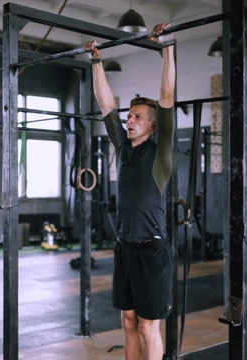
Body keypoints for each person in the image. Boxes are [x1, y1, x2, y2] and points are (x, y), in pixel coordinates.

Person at [85, 22, 175, 360]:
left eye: (137, 116)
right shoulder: (124, 148)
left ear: (152, 125)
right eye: (130, 116)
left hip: (152, 251)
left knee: (149, 325)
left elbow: (166, 96)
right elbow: (106, 103)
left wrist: (167, 46)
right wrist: (96, 62)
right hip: (125, 247)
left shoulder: (160, 150)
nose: (130, 120)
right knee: (128, 319)